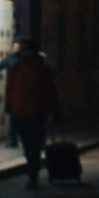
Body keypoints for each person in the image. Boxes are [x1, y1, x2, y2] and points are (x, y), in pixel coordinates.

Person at [5, 38, 61, 188]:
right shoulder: (30, 68)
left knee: (31, 146)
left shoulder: (32, 68)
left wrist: (10, 106)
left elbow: (48, 91)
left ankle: (33, 175)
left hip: (30, 112)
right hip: (28, 111)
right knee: (31, 145)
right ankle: (32, 172)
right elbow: (50, 91)